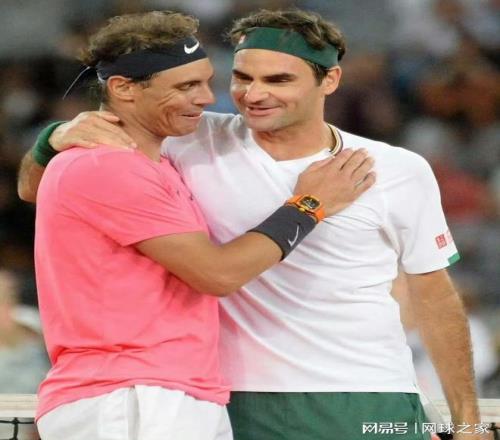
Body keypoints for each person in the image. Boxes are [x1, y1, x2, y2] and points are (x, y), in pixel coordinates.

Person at [18, 8, 488, 440]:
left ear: (330, 80)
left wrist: (467, 420)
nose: (254, 94)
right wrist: (52, 139)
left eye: (279, 79)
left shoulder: (397, 169)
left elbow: (434, 294)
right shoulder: (184, 133)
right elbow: (43, 188)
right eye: (243, 77)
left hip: (364, 393)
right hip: (228, 397)